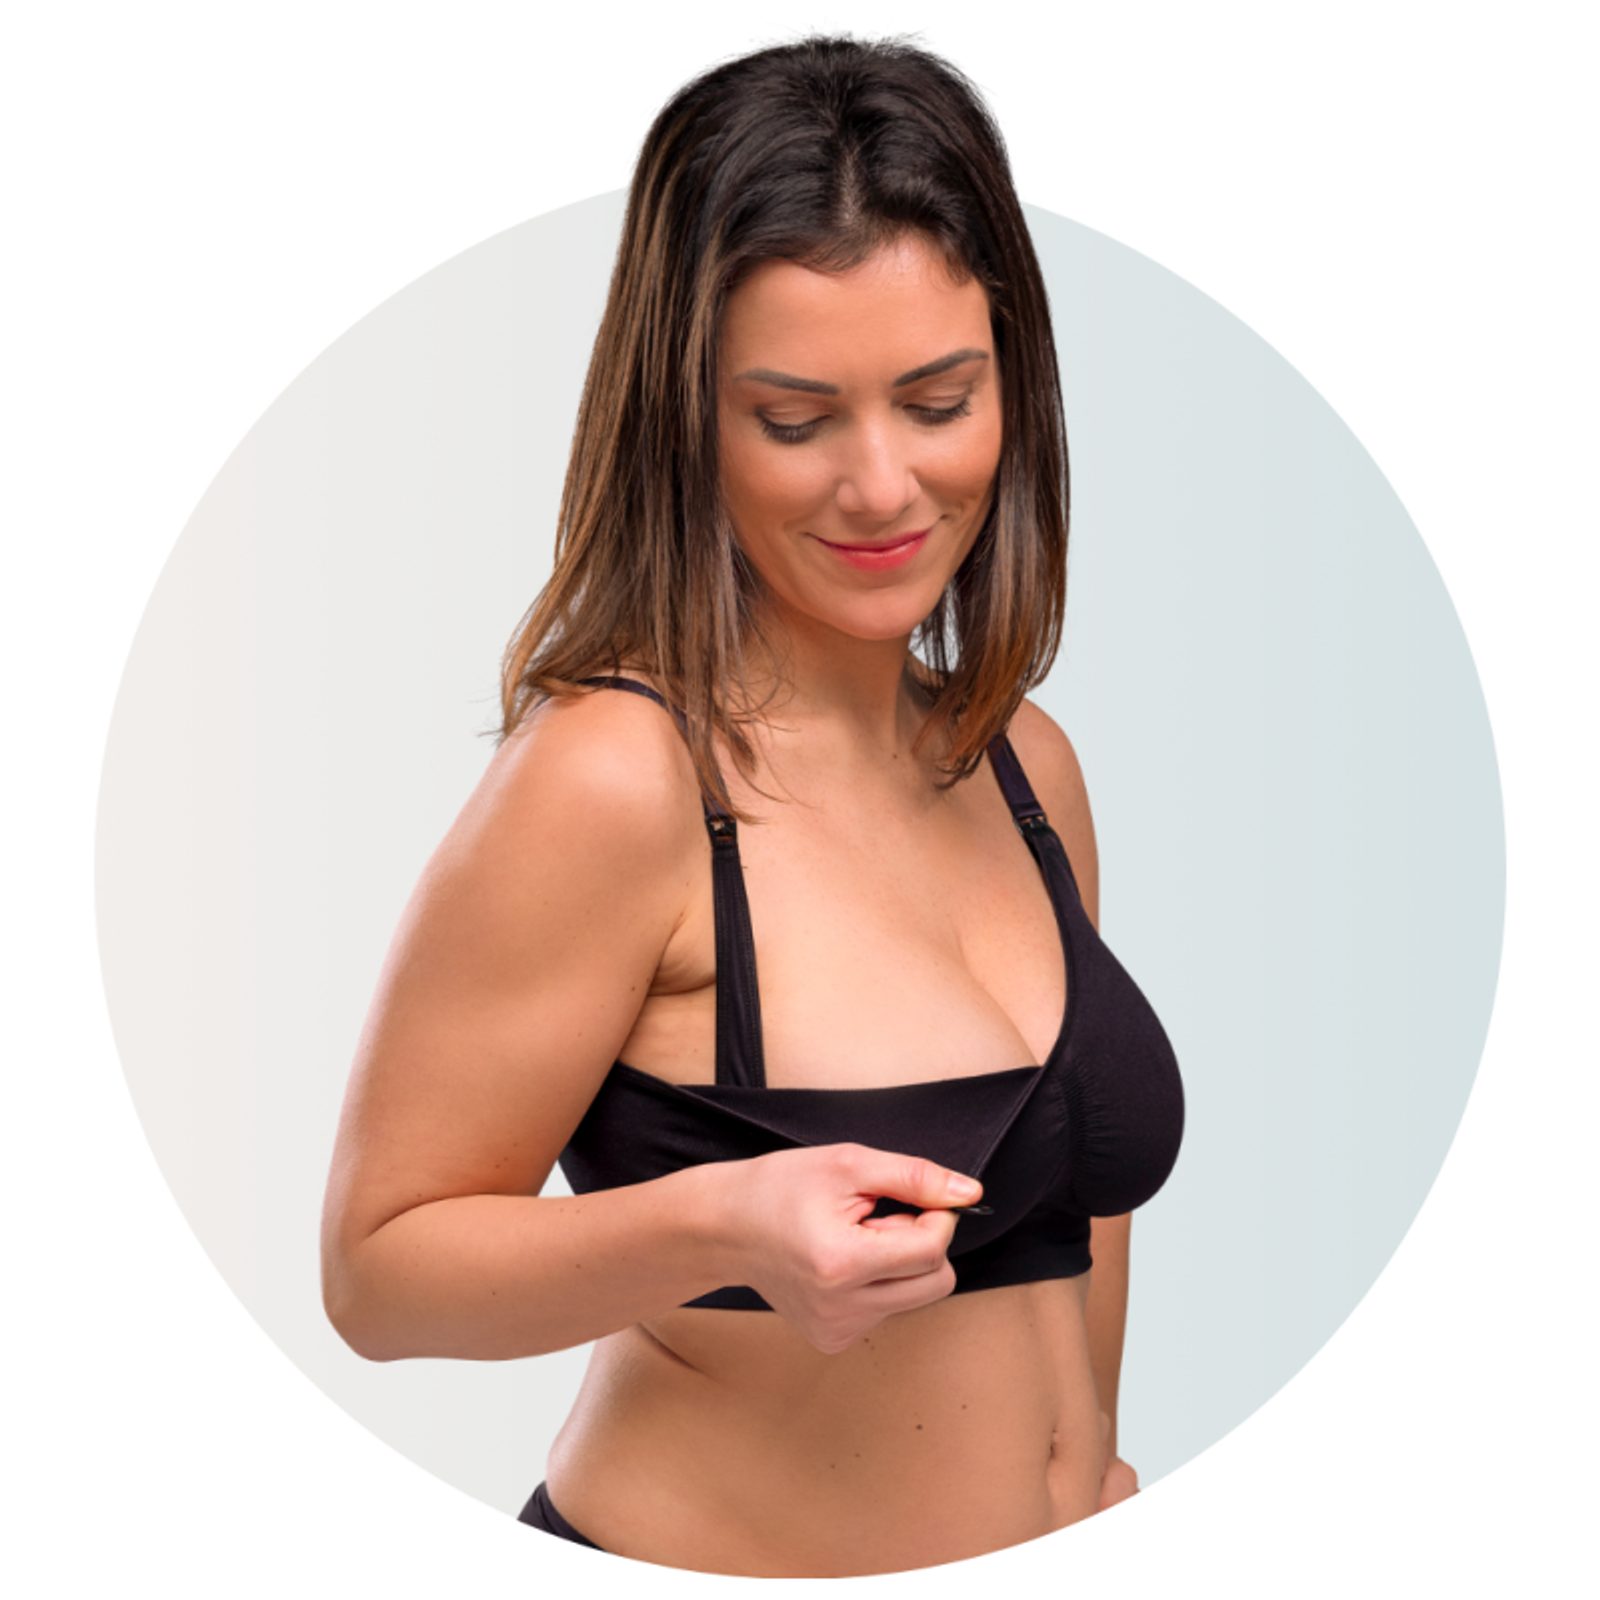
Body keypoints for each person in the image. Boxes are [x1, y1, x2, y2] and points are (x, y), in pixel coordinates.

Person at [320, 32, 1184, 1578]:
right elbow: (378, 1277)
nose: (882, 486)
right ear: (687, 420)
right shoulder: (618, 778)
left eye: (940, 401)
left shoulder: (1024, 764)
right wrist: (718, 1227)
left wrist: (1097, 1471)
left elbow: (1079, 1211)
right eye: (795, 420)